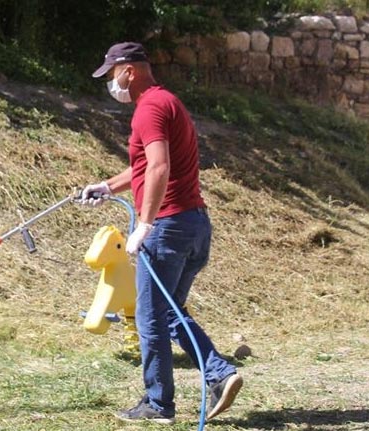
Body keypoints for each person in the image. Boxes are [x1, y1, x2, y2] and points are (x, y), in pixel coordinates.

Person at [81, 42, 243, 424]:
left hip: (168, 228)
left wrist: (146, 224)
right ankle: (220, 375)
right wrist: (106, 186)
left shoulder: (148, 109)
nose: (110, 82)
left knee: (151, 319)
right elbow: (142, 169)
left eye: (111, 74)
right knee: (169, 313)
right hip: (194, 224)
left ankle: (160, 403)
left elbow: (158, 168)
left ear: (129, 70)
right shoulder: (166, 101)